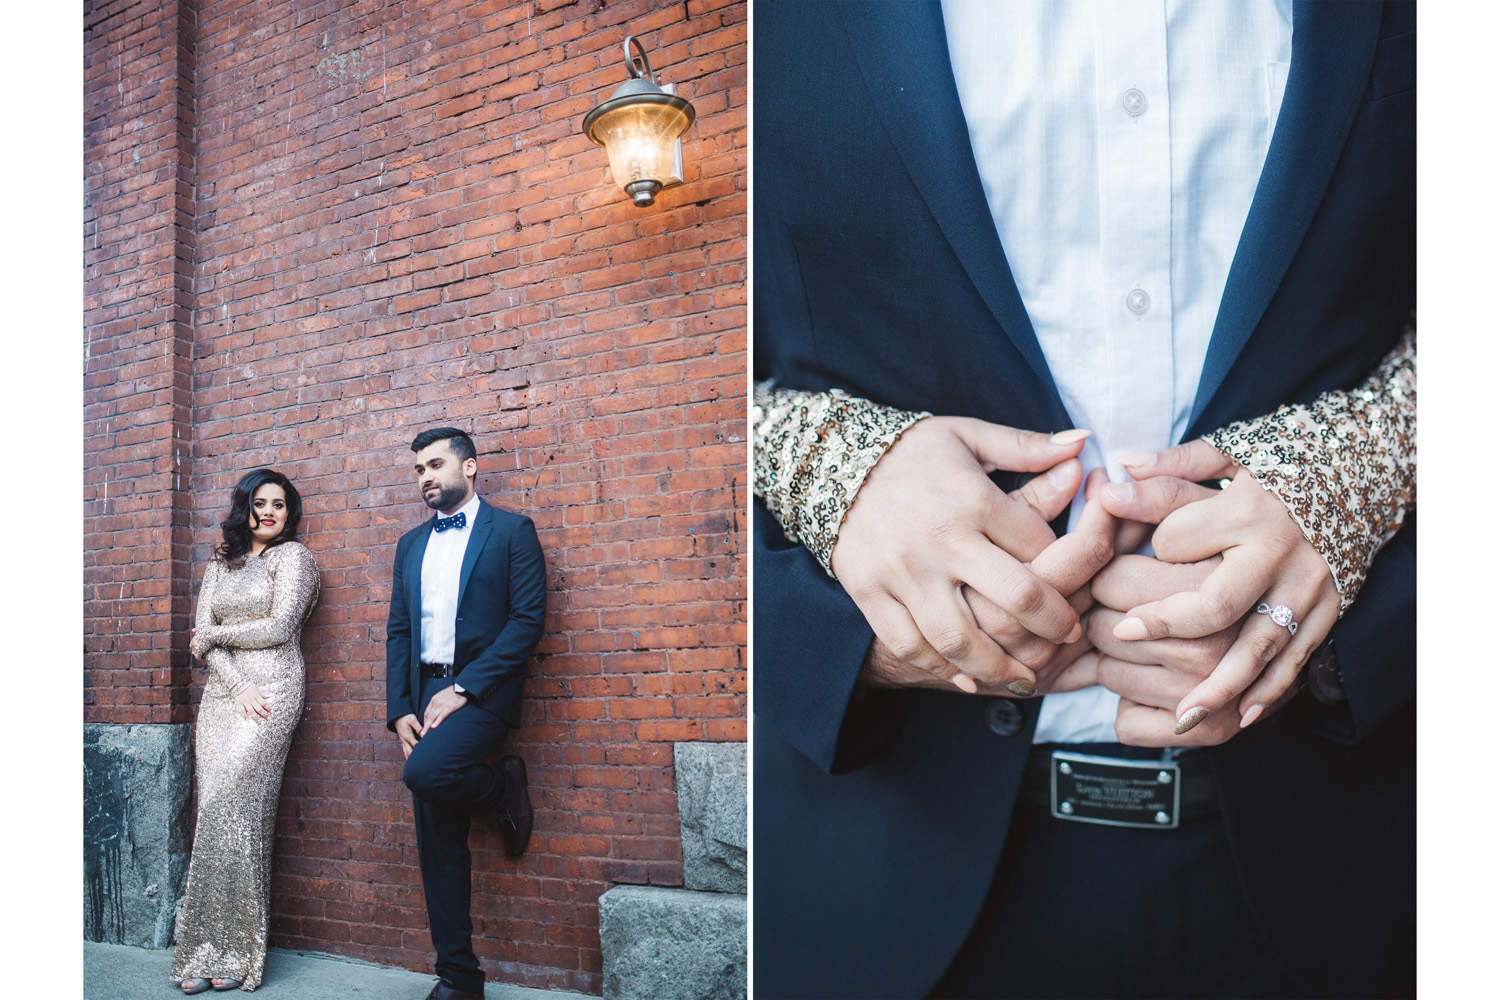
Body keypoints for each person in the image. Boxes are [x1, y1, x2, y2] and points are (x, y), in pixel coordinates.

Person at [752, 2, 1413, 997]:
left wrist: (1363, 473)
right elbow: (686, 367)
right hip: (883, 874)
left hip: (1363, 858)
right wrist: (833, 479)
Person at [385, 427, 547, 1000]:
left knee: (425, 773)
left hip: (480, 693)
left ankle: (503, 785)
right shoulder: (409, 545)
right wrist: (398, 709)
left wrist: (464, 689)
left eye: (434, 465)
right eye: (418, 470)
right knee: (438, 843)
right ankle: (459, 980)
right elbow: (399, 630)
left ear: (470, 467)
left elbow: (527, 621)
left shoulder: (511, 532)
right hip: (421, 693)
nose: (425, 477)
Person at [171, 469, 321, 994]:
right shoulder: (220, 562)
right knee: (213, 809)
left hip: (273, 692)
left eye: (281, 504)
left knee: (239, 810)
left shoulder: (295, 559)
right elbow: (203, 642)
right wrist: (233, 682)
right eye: (261, 502)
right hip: (226, 695)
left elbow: (280, 627)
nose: (271, 512)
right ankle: (201, 948)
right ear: (246, 507)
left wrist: (213, 634)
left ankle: (237, 954)